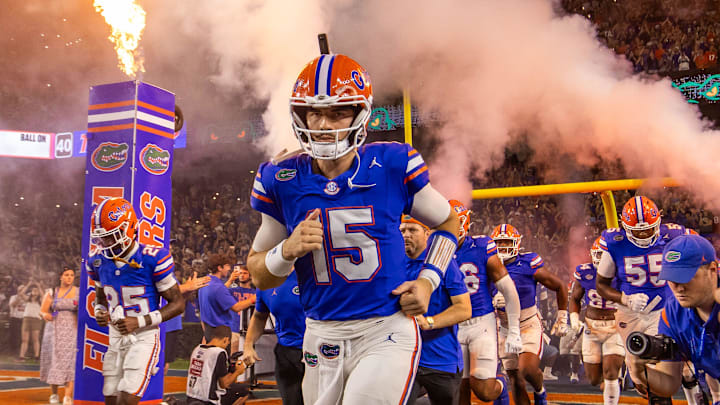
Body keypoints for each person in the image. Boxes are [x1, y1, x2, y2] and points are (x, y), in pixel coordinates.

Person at [247, 53, 460, 405]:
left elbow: (449, 221)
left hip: (384, 330)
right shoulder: (281, 178)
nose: (323, 124)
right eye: (313, 112)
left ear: (361, 115)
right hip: (319, 333)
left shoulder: (392, 164)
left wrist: (428, 280)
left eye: (336, 112)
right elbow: (258, 274)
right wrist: (285, 252)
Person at [87, 197, 185, 405]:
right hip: (116, 335)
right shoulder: (96, 261)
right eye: (102, 238)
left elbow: (178, 304)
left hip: (144, 335)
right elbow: (100, 298)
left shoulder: (153, 257)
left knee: (126, 398)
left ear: (129, 229)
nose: (106, 244)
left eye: (111, 237)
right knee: (111, 397)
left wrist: (138, 322)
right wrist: (99, 311)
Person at [595, 196, 692, 404]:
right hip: (630, 313)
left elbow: (698, 253)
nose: (645, 235)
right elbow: (601, 285)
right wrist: (625, 298)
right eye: (638, 231)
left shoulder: (673, 235)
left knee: (658, 365)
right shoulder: (615, 243)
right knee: (639, 374)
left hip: (664, 310)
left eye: (648, 229)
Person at [628, 234, 720, 403]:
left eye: (685, 277)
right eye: (672, 278)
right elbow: (670, 383)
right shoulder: (673, 313)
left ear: (713, 270)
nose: (678, 287)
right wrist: (640, 372)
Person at [490, 224, 569, 405]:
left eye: (506, 242)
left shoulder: (527, 263)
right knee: (516, 381)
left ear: (517, 243)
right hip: (503, 326)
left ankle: (540, 391)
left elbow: (559, 286)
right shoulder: (488, 267)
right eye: (499, 243)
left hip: (527, 323)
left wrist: (562, 318)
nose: (502, 247)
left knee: (527, 369)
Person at [448, 201, 517, 405]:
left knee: (483, 390)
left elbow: (509, 289)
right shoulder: (435, 249)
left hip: (481, 323)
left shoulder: (481, 246)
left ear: (466, 223)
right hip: (453, 323)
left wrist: (513, 330)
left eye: (455, 222)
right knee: (457, 388)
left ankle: (502, 385)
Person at [401, 215, 471, 405]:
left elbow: (464, 309)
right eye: (403, 231)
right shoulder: (394, 264)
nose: (406, 235)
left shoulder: (444, 263)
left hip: (440, 359)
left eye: (412, 230)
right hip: (405, 358)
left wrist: (429, 322)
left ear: (427, 233)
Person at [569, 238, 624, 405]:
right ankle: (616, 376)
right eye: (600, 254)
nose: (603, 259)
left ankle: (616, 378)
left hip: (615, 326)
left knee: (610, 372)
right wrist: (573, 317)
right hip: (591, 328)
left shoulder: (622, 273)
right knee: (593, 379)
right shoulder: (585, 272)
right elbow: (575, 298)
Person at [243, 270, 306, 405]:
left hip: (315, 351)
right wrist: (248, 345)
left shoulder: (310, 272)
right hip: (285, 353)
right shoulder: (265, 281)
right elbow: (259, 316)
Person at [39, 267, 78, 405]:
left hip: (72, 330)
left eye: (72, 275)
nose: (69, 277)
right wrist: (46, 315)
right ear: (60, 276)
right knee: (54, 359)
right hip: (54, 329)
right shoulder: (52, 292)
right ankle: (54, 394)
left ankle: (68, 396)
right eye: (66, 275)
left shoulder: (79, 292)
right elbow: (42, 311)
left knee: (70, 361)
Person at [186, 325, 250, 405]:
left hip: (191, 397)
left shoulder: (197, 349)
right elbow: (224, 384)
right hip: (208, 400)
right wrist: (238, 372)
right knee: (244, 391)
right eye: (227, 344)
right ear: (225, 340)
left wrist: (231, 370)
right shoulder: (219, 353)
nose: (226, 347)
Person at [199, 254, 253, 344]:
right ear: (220, 268)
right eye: (227, 266)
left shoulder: (205, 283)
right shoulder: (218, 287)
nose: (229, 269)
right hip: (220, 334)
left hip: (209, 330)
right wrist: (254, 298)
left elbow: (218, 294)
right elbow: (236, 308)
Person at [227, 265, 256, 355]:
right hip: (235, 328)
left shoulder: (255, 292)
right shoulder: (232, 291)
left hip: (251, 329)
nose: (242, 275)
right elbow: (219, 292)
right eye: (240, 273)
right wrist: (230, 280)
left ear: (250, 276)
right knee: (234, 356)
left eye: (245, 273)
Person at [18, 281, 44, 361]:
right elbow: (21, 293)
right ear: (31, 292)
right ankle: (21, 356)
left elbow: (43, 295)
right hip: (27, 319)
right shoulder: (28, 299)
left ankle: (36, 356)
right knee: (24, 339)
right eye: (33, 290)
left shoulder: (40, 300)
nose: (35, 291)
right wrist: (28, 284)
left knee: (35, 339)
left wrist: (38, 286)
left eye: (36, 290)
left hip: (36, 319)